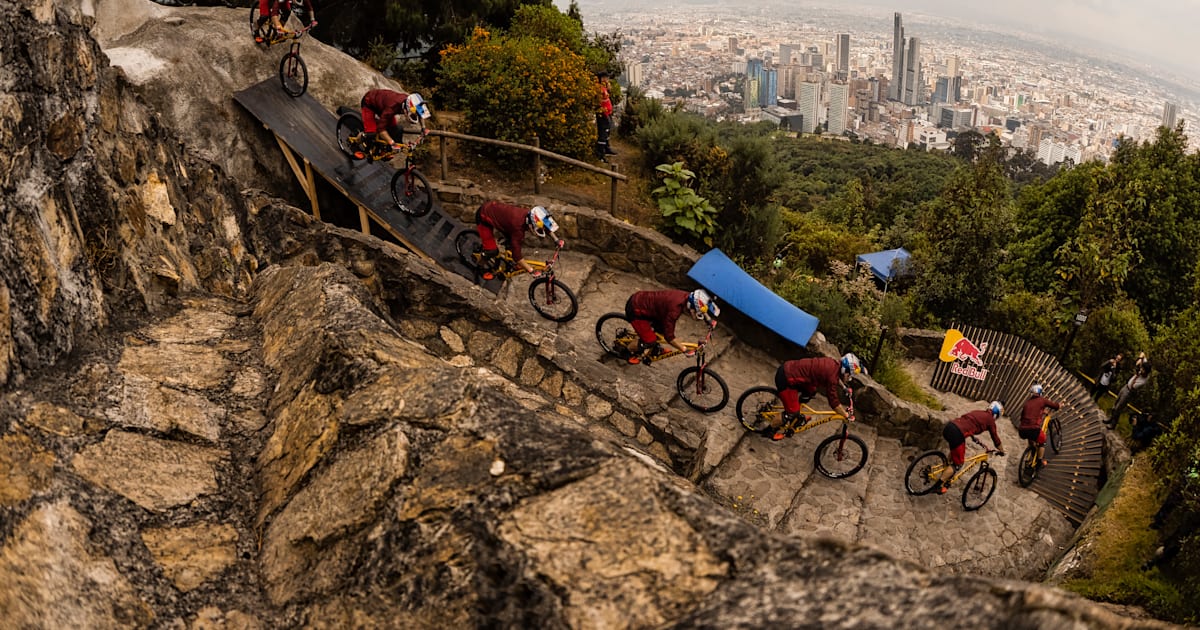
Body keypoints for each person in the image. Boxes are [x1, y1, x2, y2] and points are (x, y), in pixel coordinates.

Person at [762, 353, 862, 441]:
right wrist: (845, 414)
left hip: (791, 369)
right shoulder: (832, 377)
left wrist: (844, 388)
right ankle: (769, 431)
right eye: (849, 375)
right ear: (845, 371)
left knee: (811, 391)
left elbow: (835, 378)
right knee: (791, 412)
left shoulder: (834, 364)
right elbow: (834, 402)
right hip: (786, 379)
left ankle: (796, 417)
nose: (849, 378)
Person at [622, 289, 719, 365]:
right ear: (691, 308)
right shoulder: (674, 311)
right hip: (636, 310)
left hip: (648, 304)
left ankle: (655, 350)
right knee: (649, 341)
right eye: (697, 313)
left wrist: (709, 320)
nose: (697, 316)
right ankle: (625, 352)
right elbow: (670, 337)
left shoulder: (688, 297)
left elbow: (701, 306)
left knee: (659, 331)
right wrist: (684, 349)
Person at [473, 201, 562, 280]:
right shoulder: (518, 228)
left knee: (512, 243)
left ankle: (507, 262)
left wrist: (556, 239)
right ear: (530, 225)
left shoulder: (530, 215)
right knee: (492, 251)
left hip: (498, 214)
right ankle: (478, 267)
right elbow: (517, 256)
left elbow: (543, 224)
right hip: (484, 215)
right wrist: (531, 270)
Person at [937, 402, 1006, 493]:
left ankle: (947, 471)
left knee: (955, 450)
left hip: (950, 426)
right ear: (996, 414)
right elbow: (995, 438)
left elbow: (968, 421)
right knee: (958, 464)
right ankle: (938, 485)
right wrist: (1002, 450)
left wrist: (972, 435)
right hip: (957, 434)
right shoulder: (990, 421)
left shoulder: (978, 412)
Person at [358, 89, 429, 159]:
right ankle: (358, 142)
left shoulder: (411, 102)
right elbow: (381, 129)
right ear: (405, 110)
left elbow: (420, 113)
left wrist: (423, 127)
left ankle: (384, 151)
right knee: (371, 133)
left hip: (382, 105)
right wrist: (392, 143)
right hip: (369, 103)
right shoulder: (392, 107)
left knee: (395, 129)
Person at [1018, 384, 1060, 468]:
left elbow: (1022, 416)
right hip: (1033, 429)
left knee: (1031, 440)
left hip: (1022, 430)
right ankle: (1040, 461)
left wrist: (1041, 411)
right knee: (1042, 440)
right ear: (1040, 393)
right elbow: (1054, 406)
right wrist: (1059, 405)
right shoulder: (1042, 400)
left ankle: (1030, 456)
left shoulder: (1027, 402)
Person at [1108, 352, 1151, 428]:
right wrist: (1140, 359)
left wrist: (1138, 373)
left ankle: (1113, 424)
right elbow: (1143, 354)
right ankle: (1111, 419)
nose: (1141, 370)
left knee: (1119, 407)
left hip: (1129, 392)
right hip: (1125, 386)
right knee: (1115, 403)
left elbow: (1133, 386)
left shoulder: (1143, 381)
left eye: (1143, 370)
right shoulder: (1144, 367)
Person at [595, 71, 616, 160]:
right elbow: (599, 101)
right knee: (603, 133)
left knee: (607, 131)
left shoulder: (603, 87)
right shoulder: (598, 88)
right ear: (602, 78)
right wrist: (603, 112)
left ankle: (607, 148)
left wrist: (607, 85)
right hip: (603, 114)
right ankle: (601, 154)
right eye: (606, 77)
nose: (607, 79)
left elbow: (609, 92)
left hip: (607, 112)